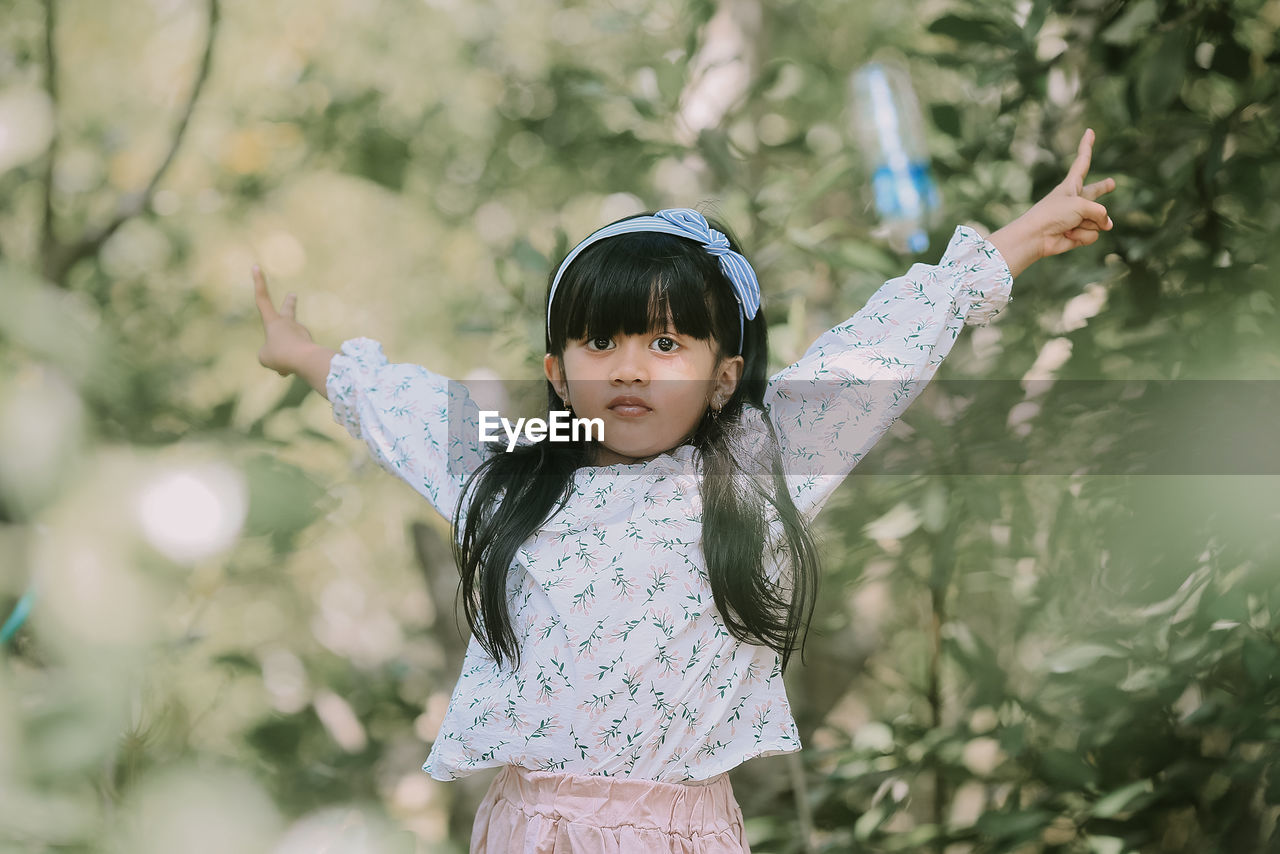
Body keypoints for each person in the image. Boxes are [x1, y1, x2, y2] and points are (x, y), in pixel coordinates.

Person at [253, 129, 1114, 853]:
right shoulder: (510, 471)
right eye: (600, 342)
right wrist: (301, 352)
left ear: (721, 375)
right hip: (528, 832)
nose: (629, 366)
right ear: (557, 373)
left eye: (666, 345)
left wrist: (1012, 244)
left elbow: (876, 356)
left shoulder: (755, 470)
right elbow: (400, 406)